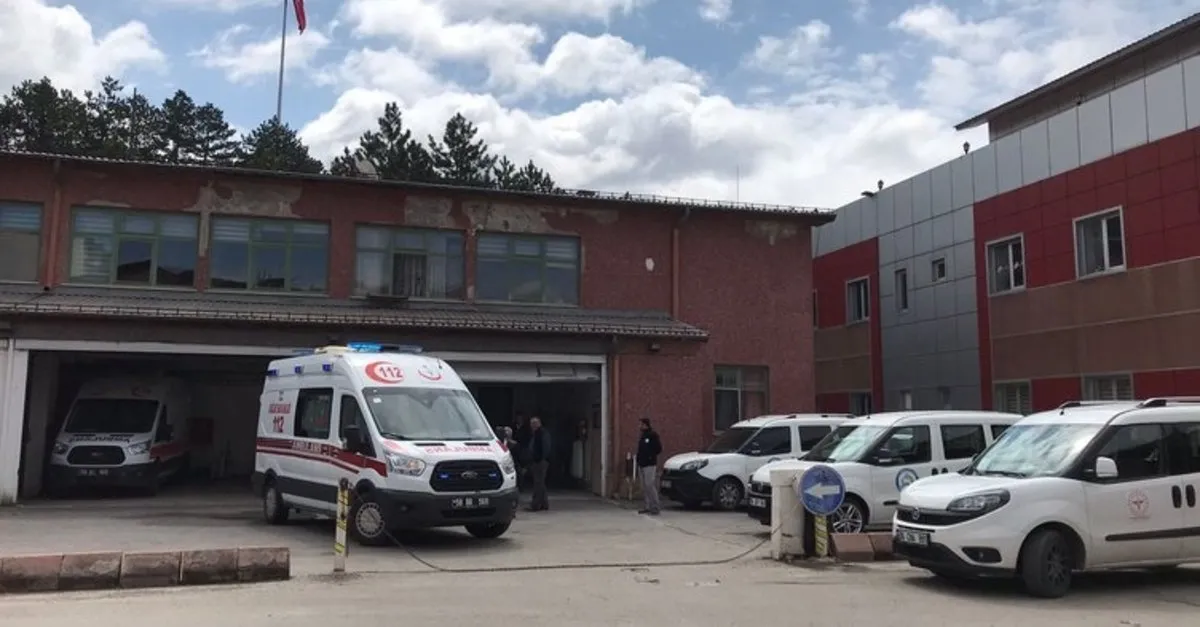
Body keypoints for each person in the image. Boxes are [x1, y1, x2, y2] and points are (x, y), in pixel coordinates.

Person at [636, 418, 663, 515]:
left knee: (649, 485)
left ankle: (655, 506)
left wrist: (650, 456)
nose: (639, 426)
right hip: (642, 464)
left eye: (641, 424)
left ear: (645, 425)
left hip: (650, 464)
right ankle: (647, 506)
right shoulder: (642, 436)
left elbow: (658, 449)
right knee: (644, 486)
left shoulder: (652, 435)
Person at [526, 416, 553, 511]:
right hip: (537, 460)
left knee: (538, 483)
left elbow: (545, 448)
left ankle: (535, 504)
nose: (531, 426)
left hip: (540, 461)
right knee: (541, 482)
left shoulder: (541, 434)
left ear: (538, 424)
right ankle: (544, 503)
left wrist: (540, 458)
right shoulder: (537, 434)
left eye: (533, 424)